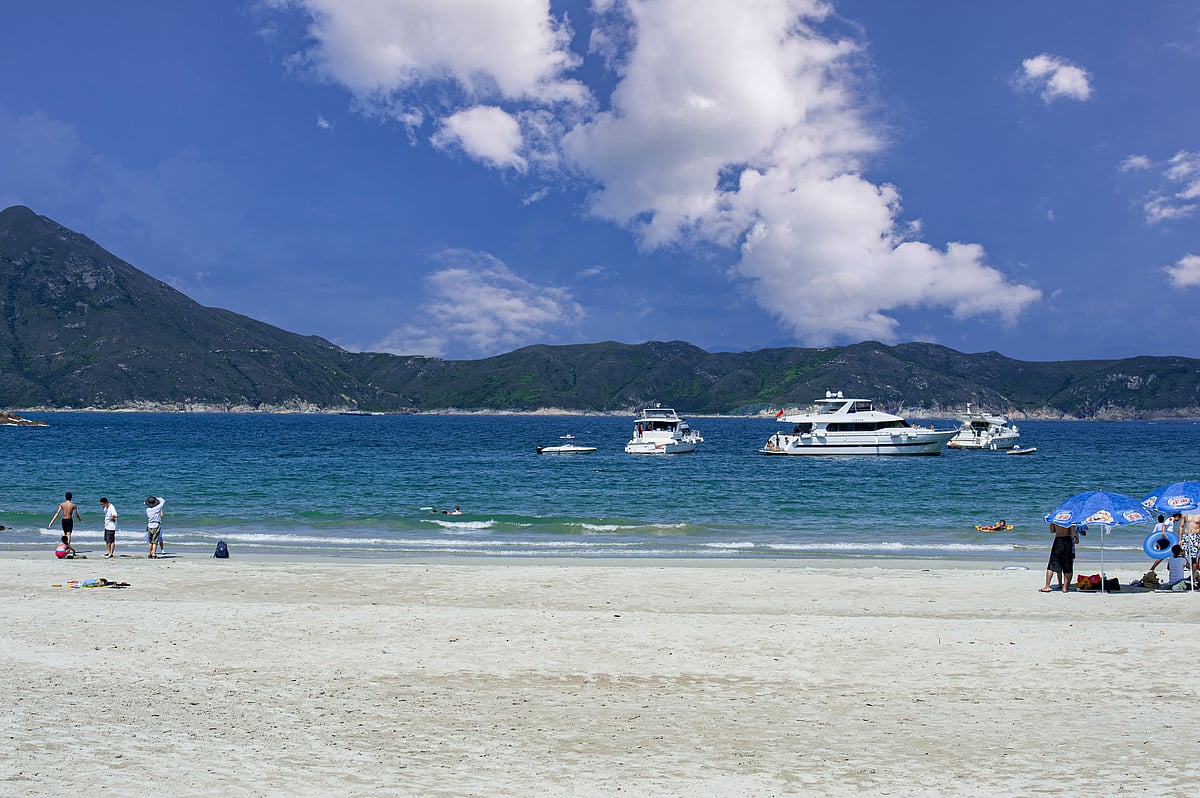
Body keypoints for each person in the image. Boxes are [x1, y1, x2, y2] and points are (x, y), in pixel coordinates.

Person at [1041, 522, 1079, 593]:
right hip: (1067, 540)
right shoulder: (1070, 518)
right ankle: (1065, 588)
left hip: (1058, 540)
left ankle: (1047, 586)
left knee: (1052, 564)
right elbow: (1074, 533)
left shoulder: (1055, 519)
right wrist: (1076, 539)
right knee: (1068, 565)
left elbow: (1052, 531)